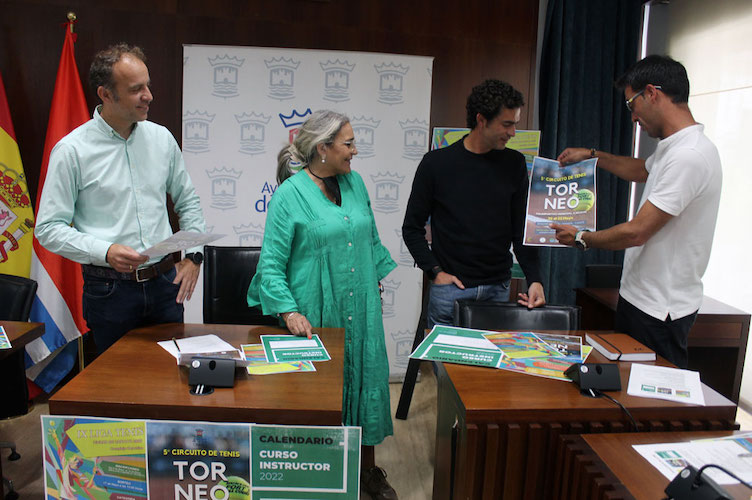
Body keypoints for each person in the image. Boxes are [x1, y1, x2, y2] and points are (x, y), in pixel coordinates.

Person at [247, 110, 398, 500]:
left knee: (366, 385)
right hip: (315, 316)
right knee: (320, 402)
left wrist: (375, 282)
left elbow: (370, 238)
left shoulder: (356, 182)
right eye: (347, 143)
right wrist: (289, 312)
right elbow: (271, 265)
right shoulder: (288, 196)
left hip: (362, 310)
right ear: (322, 149)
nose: (355, 150)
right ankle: (320, 477)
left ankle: (367, 473)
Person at [552, 55, 722, 368]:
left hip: (660, 310)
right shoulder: (674, 146)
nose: (632, 118)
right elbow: (641, 170)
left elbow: (638, 231)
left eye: (632, 105)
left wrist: (582, 238)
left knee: (655, 404)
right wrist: (592, 156)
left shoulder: (690, 155)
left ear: (652, 93)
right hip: (640, 297)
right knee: (627, 391)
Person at [35, 43, 206, 354]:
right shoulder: (72, 150)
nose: (149, 96)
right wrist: (106, 250)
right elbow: (48, 228)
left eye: (148, 85)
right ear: (105, 94)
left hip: (165, 283)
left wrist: (194, 256)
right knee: (116, 391)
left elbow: (188, 202)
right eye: (136, 89)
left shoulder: (161, 138)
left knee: (170, 382)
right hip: (109, 289)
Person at [402, 79, 546, 329]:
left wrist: (534, 279)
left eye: (515, 124)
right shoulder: (436, 164)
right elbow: (411, 228)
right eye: (507, 124)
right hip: (450, 291)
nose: (513, 133)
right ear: (481, 120)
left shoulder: (514, 164)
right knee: (446, 368)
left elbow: (521, 229)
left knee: (487, 369)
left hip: (497, 290)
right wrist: (435, 272)